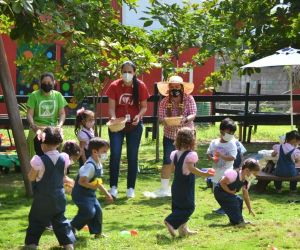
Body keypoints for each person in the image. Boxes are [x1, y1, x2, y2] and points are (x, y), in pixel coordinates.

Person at [25, 127, 75, 250]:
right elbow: (63, 176)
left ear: (42, 144)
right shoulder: (64, 158)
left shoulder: (38, 160)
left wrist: (34, 174)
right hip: (59, 197)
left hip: (42, 198)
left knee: (36, 220)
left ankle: (32, 244)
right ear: (58, 144)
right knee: (60, 220)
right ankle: (68, 244)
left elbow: (31, 177)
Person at [105, 61, 149, 198]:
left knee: (132, 156)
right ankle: (113, 187)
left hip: (134, 125)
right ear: (121, 72)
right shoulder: (114, 86)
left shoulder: (140, 86)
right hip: (117, 125)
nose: (127, 74)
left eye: (130, 72)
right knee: (115, 155)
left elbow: (144, 107)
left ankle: (131, 188)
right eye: (124, 71)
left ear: (134, 73)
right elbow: (111, 108)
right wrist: (113, 119)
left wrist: (138, 116)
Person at [151, 75, 197, 198]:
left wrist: (185, 119)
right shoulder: (164, 101)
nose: (174, 89)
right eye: (172, 87)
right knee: (167, 161)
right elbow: (161, 118)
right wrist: (167, 121)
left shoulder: (189, 99)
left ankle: (187, 189)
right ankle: (164, 189)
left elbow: (193, 114)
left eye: (177, 87)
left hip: (187, 135)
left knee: (189, 161)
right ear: (168, 88)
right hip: (169, 135)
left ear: (181, 88)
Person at [164, 127, 213, 237]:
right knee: (189, 207)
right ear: (191, 140)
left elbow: (172, 169)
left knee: (178, 207)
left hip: (176, 185)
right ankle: (170, 221)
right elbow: (192, 169)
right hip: (185, 186)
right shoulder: (191, 155)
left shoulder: (175, 153)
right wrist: (205, 174)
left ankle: (183, 230)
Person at [71, 137, 113, 238]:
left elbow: (98, 182)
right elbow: (81, 182)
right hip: (80, 194)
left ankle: (97, 233)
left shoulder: (99, 164)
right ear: (94, 151)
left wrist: (107, 194)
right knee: (89, 212)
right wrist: (92, 186)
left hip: (90, 194)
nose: (106, 154)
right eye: (104, 151)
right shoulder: (90, 166)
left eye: (107, 152)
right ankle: (71, 226)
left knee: (98, 211)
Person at [27, 72, 68, 158]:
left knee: (59, 140)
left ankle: (58, 163)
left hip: (53, 128)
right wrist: (33, 125)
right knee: (34, 142)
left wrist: (59, 126)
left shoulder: (58, 95)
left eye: (49, 82)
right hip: (38, 127)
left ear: (54, 82)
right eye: (44, 83)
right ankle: (36, 164)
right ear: (40, 83)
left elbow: (62, 113)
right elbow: (29, 114)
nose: (47, 84)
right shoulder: (34, 95)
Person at [214, 158, 260, 227]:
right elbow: (222, 183)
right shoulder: (234, 174)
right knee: (234, 201)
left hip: (228, 193)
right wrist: (229, 191)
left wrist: (249, 208)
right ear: (247, 170)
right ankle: (238, 222)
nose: (254, 176)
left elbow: (245, 195)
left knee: (239, 200)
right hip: (220, 192)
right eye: (253, 174)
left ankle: (238, 221)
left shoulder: (246, 179)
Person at [207, 118, 238, 215]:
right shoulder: (214, 142)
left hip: (226, 173)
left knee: (224, 191)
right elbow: (208, 154)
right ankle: (223, 207)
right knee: (216, 191)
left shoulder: (232, 144)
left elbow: (233, 157)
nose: (231, 135)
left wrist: (222, 156)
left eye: (232, 133)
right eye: (229, 133)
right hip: (216, 171)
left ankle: (225, 208)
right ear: (221, 131)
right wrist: (212, 159)